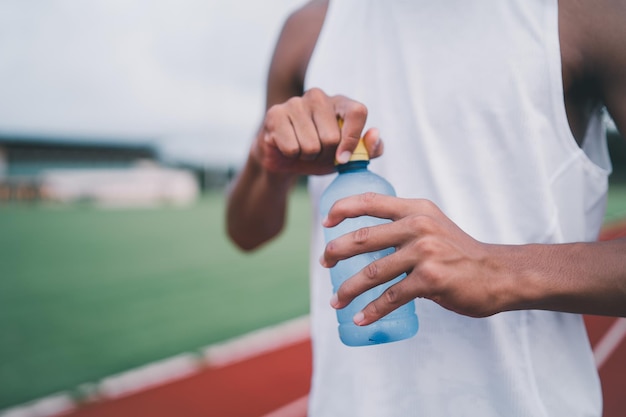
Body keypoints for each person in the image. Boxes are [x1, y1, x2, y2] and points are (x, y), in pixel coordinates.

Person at [226, 0, 626, 415]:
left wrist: (501, 269)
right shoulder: (307, 29)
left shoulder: (583, 12)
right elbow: (246, 232)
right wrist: (267, 163)